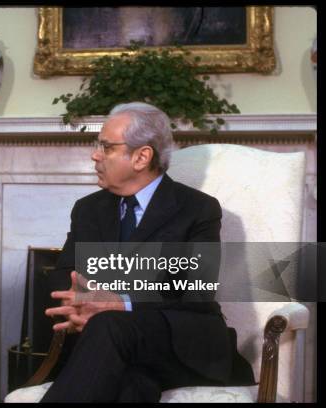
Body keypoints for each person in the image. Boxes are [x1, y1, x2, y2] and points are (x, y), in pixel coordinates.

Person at [41, 102, 254, 402]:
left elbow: (194, 290)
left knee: (109, 324)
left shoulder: (197, 209)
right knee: (132, 388)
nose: (95, 155)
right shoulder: (88, 209)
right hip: (113, 346)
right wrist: (82, 303)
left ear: (142, 156)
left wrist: (119, 303)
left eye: (106, 147)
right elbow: (64, 272)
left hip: (179, 343)